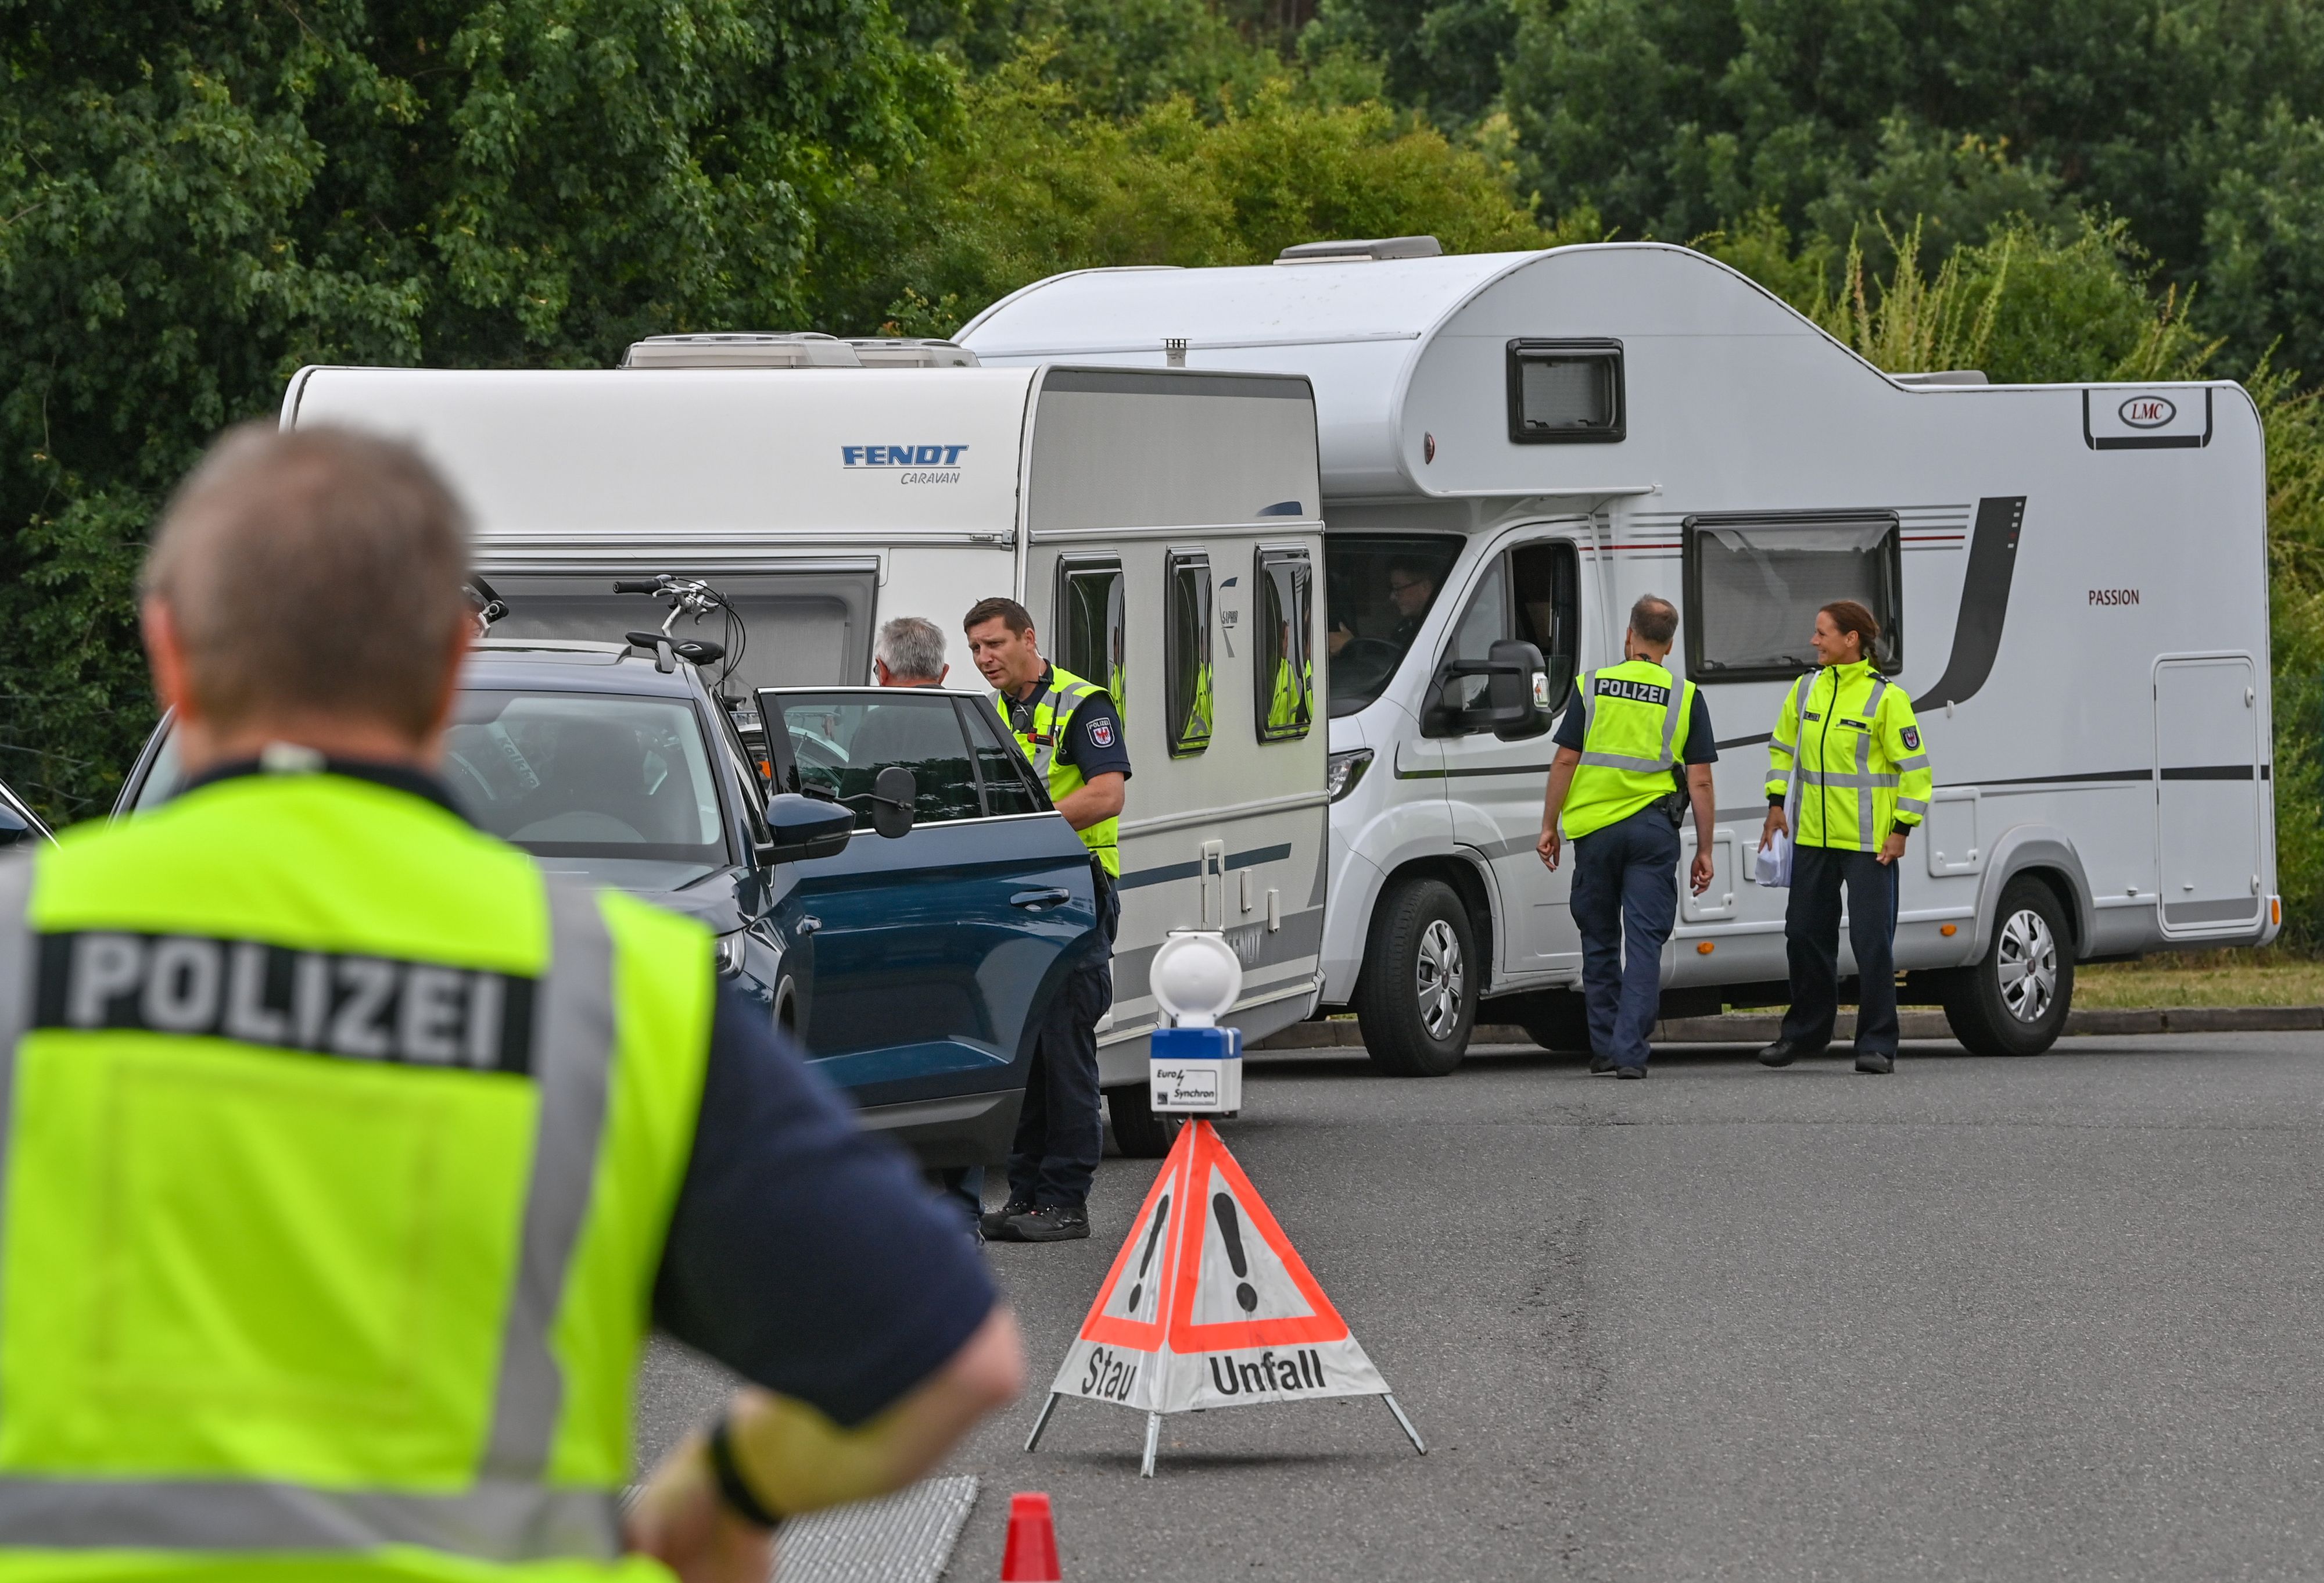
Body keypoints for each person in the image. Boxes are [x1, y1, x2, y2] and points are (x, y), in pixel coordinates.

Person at [0, 424, 1022, 1583]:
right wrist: (721, 1493)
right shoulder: (613, 991)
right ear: (449, 666)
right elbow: (955, 1360)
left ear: (169, 653)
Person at [963, 596, 1129, 1244]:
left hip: (1074, 887)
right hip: (1017, 890)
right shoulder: (990, 710)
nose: (984, 659)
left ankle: (1066, 1199)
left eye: (995, 645)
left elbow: (1105, 793)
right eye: (975, 648)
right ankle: (1028, 1195)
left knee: (1064, 1051)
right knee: (1024, 1051)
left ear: (1028, 638)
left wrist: (1022, 836)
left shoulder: (1081, 703)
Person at [1534, 595, 1718, 1078]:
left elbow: (1566, 761)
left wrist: (1549, 825)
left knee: (1598, 940)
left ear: (1629, 636)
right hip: (1653, 833)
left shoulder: (1591, 687)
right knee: (1643, 946)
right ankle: (1630, 1054)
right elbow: (1699, 780)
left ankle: (1604, 1048)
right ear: (1670, 645)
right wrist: (1703, 849)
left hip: (1595, 834)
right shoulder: (1685, 696)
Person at [1755, 599, 1934, 1076]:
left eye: (1822, 633)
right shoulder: (1806, 689)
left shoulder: (1886, 698)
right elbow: (1781, 748)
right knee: (1803, 935)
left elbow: (1917, 775)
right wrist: (1776, 805)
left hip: (1869, 843)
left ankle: (1876, 1043)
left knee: (1873, 942)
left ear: (1850, 639)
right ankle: (1805, 1035)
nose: (1814, 642)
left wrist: (1901, 832)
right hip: (1813, 836)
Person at [867, 614, 985, 1234]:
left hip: (874, 912)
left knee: (871, 1046)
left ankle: (876, 1205)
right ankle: (961, 1206)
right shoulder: (973, 730)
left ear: (880, 672)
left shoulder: (857, 730)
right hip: (961, 912)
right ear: (944, 673)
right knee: (956, 1048)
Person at [1328, 556, 1436, 657]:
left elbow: (1404, 664)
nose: (1392, 597)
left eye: (1398, 588)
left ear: (1425, 587)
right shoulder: (1406, 628)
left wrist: (1353, 646)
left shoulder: (1441, 627)